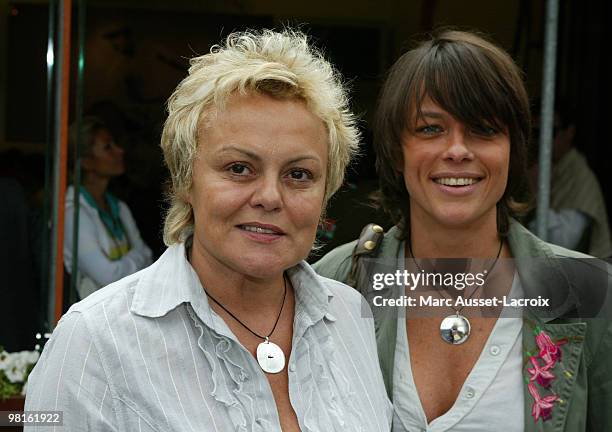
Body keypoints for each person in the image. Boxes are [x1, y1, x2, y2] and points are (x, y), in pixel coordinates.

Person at [25, 29, 392, 431]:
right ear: (185, 178)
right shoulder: (96, 340)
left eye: (299, 174)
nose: (270, 197)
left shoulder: (349, 314)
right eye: (238, 168)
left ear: (327, 191)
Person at [314, 30, 612, 431]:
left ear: (514, 150)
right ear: (396, 150)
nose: (457, 150)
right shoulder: (339, 280)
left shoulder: (586, 291)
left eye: (483, 129)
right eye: (430, 129)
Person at [64, 116, 153, 299]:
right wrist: (137, 258)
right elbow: (107, 276)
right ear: (86, 162)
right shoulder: (73, 212)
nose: (119, 151)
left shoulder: (119, 207)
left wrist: (124, 265)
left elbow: (149, 257)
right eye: (107, 147)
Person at [529, 103, 612, 258]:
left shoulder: (581, 176)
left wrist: (537, 193)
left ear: (570, 132)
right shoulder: (542, 167)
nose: (542, 139)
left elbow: (561, 242)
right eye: (536, 132)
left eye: (550, 132)